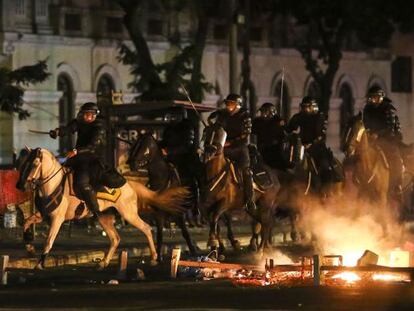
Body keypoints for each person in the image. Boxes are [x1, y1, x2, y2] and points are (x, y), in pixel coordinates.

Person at [49, 102, 106, 217]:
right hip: (77, 157)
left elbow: (92, 146)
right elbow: (70, 128)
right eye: (85, 114)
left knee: (81, 182)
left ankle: (94, 211)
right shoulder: (80, 123)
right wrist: (58, 132)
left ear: (94, 115)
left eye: (89, 114)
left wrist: (76, 151)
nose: (86, 117)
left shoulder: (99, 128)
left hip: (91, 159)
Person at [207, 93, 256, 212]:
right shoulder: (223, 115)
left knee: (246, 171)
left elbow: (245, 135)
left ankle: (249, 200)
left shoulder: (245, 117)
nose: (228, 105)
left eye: (231, 103)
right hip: (224, 148)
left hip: (240, 149)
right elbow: (217, 127)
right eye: (227, 103)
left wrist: (231, 142)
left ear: (238, 105)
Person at [286, 96, 341, 187]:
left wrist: (312, 143)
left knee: (325, 165)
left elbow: (321, 134)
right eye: (303, 107)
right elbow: (290, 128)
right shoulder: (299, 117)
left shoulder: (319, 117)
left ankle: (327, 187)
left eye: (307, 107)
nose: (304, 109)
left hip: (317, 147)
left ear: (312, 107)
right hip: (301, 147)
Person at [362, 86, 406, 197]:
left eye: (376, 97)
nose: (373, 100)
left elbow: (390, 127)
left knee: (395, 158)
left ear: (381, 97)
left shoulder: (388, 109)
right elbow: (365, 124)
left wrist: (378, 134)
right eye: (371, 98)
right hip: (373, 139)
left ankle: (397, 185)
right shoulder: (367, 109)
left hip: (389, 138)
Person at [252, 102, 289, 170]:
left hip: (274, 147)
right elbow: (252, 132)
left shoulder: (277, 121)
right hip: (261, 146)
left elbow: (283, 134)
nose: (263, 114)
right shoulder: (257, 121)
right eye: (262, 111)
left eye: (265, 112)